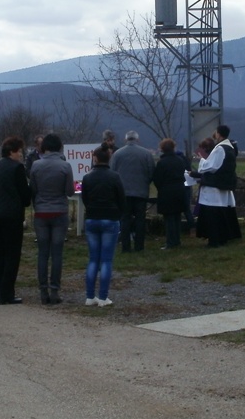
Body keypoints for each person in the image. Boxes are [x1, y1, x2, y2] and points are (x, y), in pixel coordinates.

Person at [30, 133, 75, 305]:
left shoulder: (36, 165)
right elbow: (70, 191)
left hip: (41, 212)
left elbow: (32, 189)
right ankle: (55, 290)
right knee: (57, 253)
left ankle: (43, 291)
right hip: (59, 212)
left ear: (44, 147)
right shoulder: (65, 166)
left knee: (43, 253)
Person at [0, 136, 32, 305]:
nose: (21, 155)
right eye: (19, 151)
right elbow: (25, 197)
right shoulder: (17, 168)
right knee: (12, 255)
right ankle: (7, 293)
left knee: (0, 254)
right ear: (12, 151)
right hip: (11, 216)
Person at [81, 144, 125, 307]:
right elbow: (122, 199)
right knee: (106, 260)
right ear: (109, 159)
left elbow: (84, 198)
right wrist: (117, 214)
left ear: (95, 159)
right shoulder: (115, 177)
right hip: (110, 219)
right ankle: (103, 297)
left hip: (92, 218)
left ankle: (89, 296)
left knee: (93, 259)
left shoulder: (87, 177)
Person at [193, 125, 241, 248]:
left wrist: (202, 160)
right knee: (221, 215)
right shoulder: (230, 147)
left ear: (218, 134)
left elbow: (212, 167)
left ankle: (214, 240)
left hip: (214, 186)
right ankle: (222, 238)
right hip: (223, 184)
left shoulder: (220, 148)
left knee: (213, 216)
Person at [110, 130, 155, 253]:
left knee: (125, 219)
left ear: (126, 140)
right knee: (140, 219)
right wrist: (145, 182)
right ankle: (139, 246)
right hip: (141, 192)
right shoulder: (146, 154)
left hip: (123, 193)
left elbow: (113, 173)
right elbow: (151, 172)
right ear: (137, 139)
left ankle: (126, 246)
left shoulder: (117, 154)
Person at [152, 138, 187, 249]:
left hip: (166, 192)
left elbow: (157, 179)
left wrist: (161, 188)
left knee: (169, 218)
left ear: (162, 149)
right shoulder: (180, 160)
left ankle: (170, 242)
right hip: (180, 190)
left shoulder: (161, 163)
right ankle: (177, 240)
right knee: (177, 216)